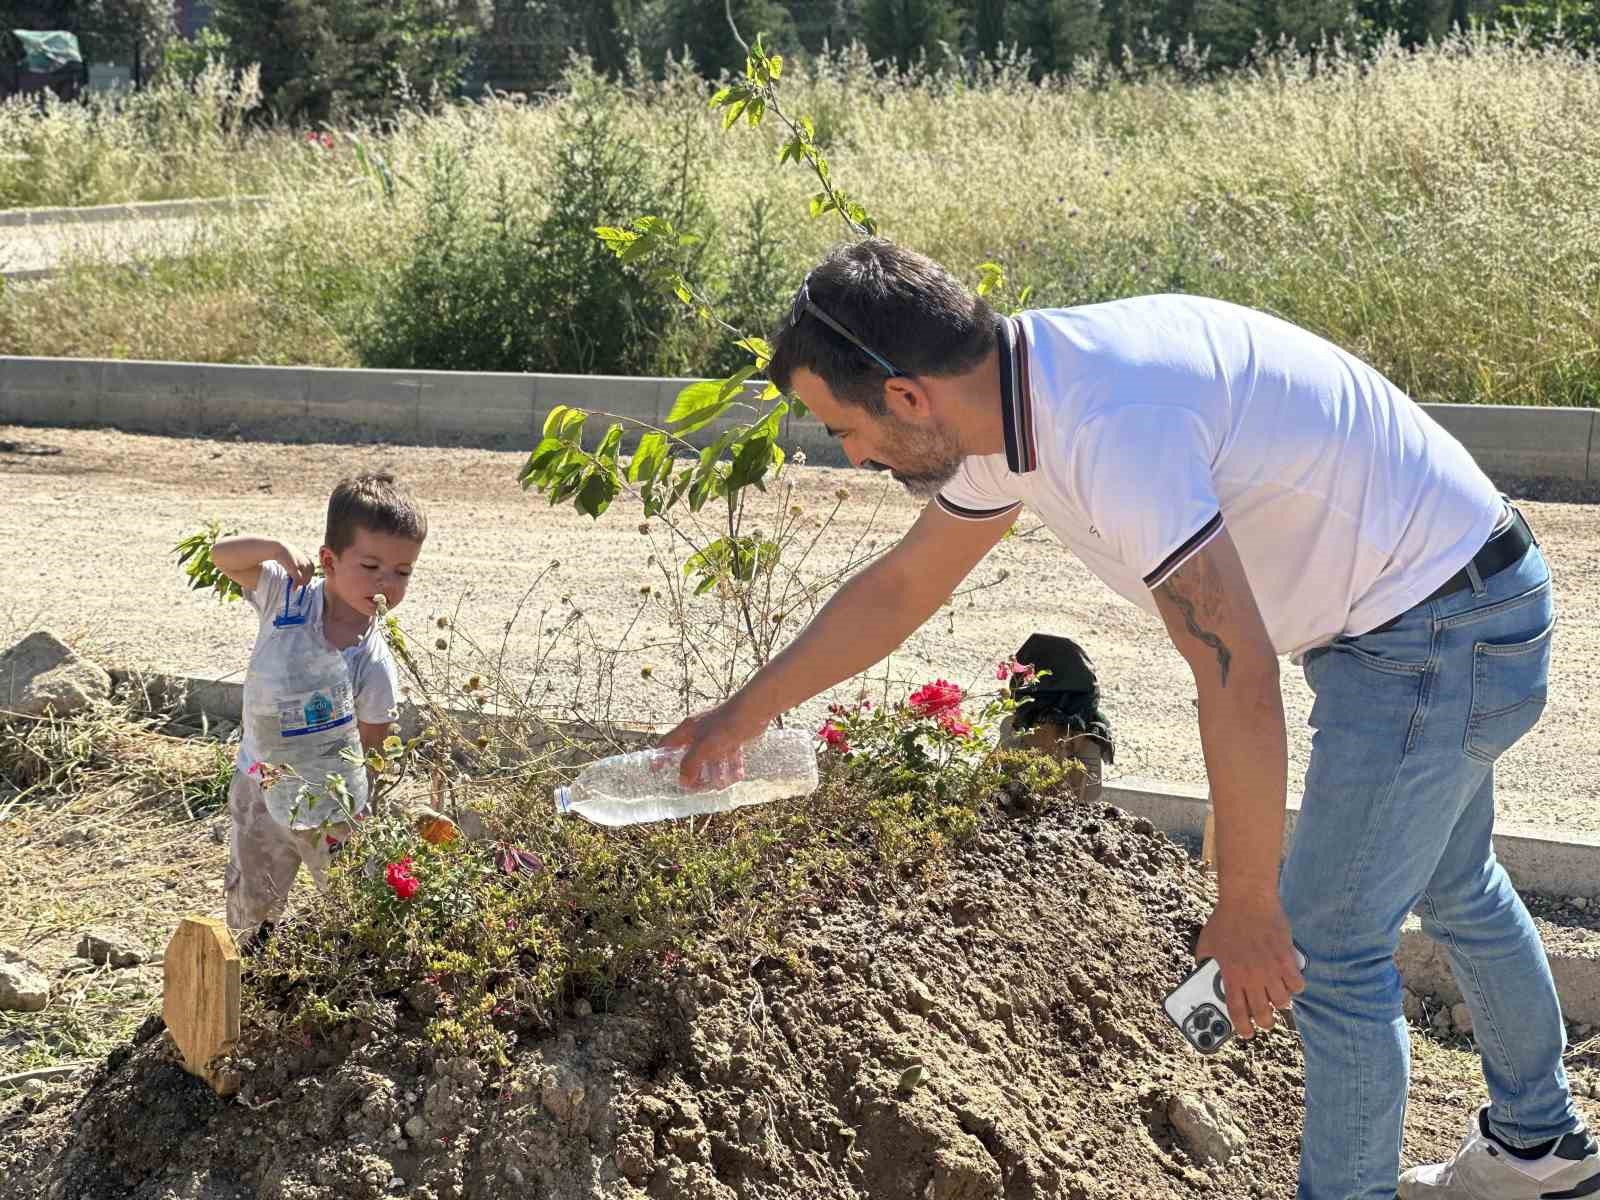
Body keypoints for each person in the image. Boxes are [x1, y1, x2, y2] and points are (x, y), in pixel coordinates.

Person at [661, 238, 1584, 1200]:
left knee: (1327, 942)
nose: (848, 453)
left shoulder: (1110, 426)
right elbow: (902, 588)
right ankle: (1543, 1148)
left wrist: (1247, 903)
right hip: (1455, 603)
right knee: (1459, 883)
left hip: (1434, 634)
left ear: (905, 396)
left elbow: (1234, 671)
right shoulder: (1011, 405)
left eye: (839, 426)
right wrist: (740, 715)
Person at [212, 471, 427, 945]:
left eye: (402, 571)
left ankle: (350, 969)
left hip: (331, 804)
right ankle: (250, 977)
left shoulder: (372, 662)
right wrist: (274, 548)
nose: (386, 584)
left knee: (354, 899)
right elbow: (221, 556)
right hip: (259, 782)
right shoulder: (285, 596)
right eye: (370, 567)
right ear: (329, 560)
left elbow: (373, 744)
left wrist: (359, 806)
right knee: (253, 900)